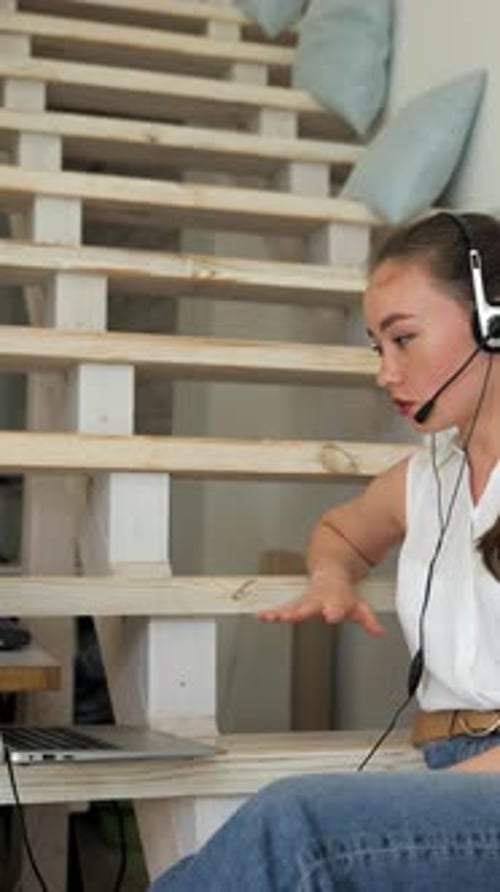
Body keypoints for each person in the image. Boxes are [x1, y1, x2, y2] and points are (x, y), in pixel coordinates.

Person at [148, 212, 500, 891]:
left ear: (493, 319)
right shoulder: (425, 481)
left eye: (403, 338)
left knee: (296, 820)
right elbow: (341, 529)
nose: (384, 372)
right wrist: (331, 575)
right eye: (376, 347)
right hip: (453, 768)